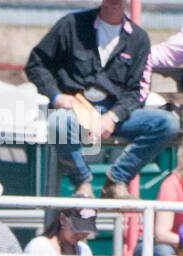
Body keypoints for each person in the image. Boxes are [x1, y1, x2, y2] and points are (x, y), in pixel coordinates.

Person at [26, 1, 179, 200]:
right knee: (58, 123)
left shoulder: (139, 39)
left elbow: (138, 91)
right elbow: (36, 64)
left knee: (167, 123)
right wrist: (57, 96)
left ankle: (116, 180)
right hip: (76, 111)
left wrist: (113, 116)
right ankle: (82, 183)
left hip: (117, 115)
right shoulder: (71, 24)